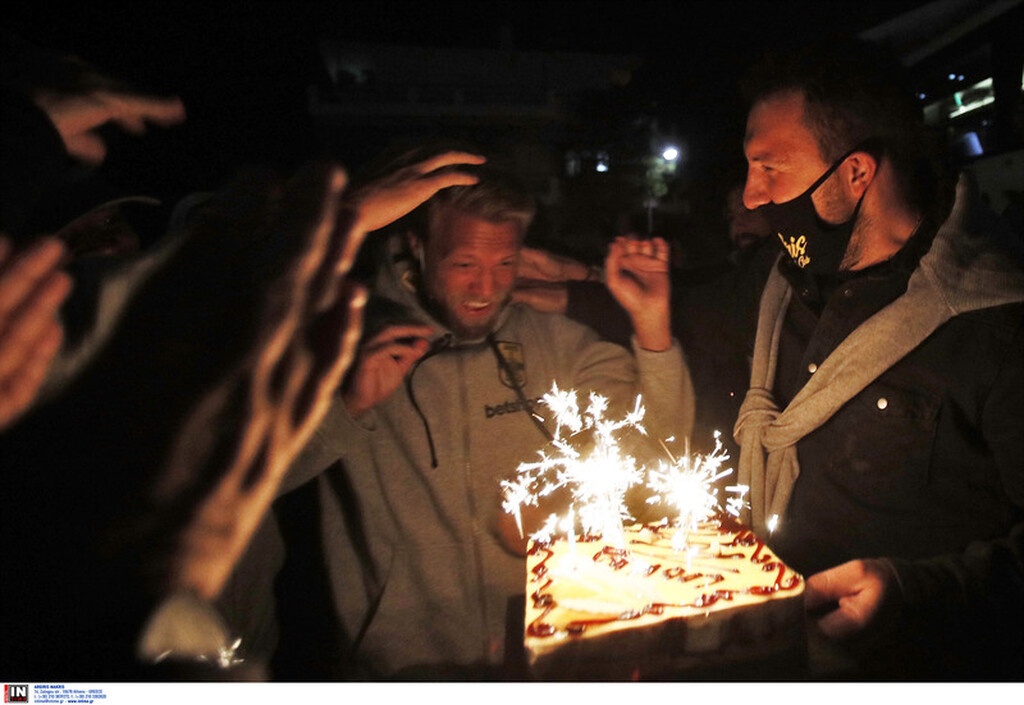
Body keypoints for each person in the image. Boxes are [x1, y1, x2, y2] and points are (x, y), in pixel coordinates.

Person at [273, 163, 695, 679]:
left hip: (542, 660)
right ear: (419, 247)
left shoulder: (552, 342)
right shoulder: (350, 339)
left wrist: (652, 324)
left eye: (505, 262)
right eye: (464, 263)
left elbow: (660, 445)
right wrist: (347, 408)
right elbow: (260, 481)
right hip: (403, 668)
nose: (486, 287)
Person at [730, 39, 1023, 680]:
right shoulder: (783, 282)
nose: (751, 197)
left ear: (857, 173)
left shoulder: (994, 325)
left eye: (770, 168)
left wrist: (915, 592)